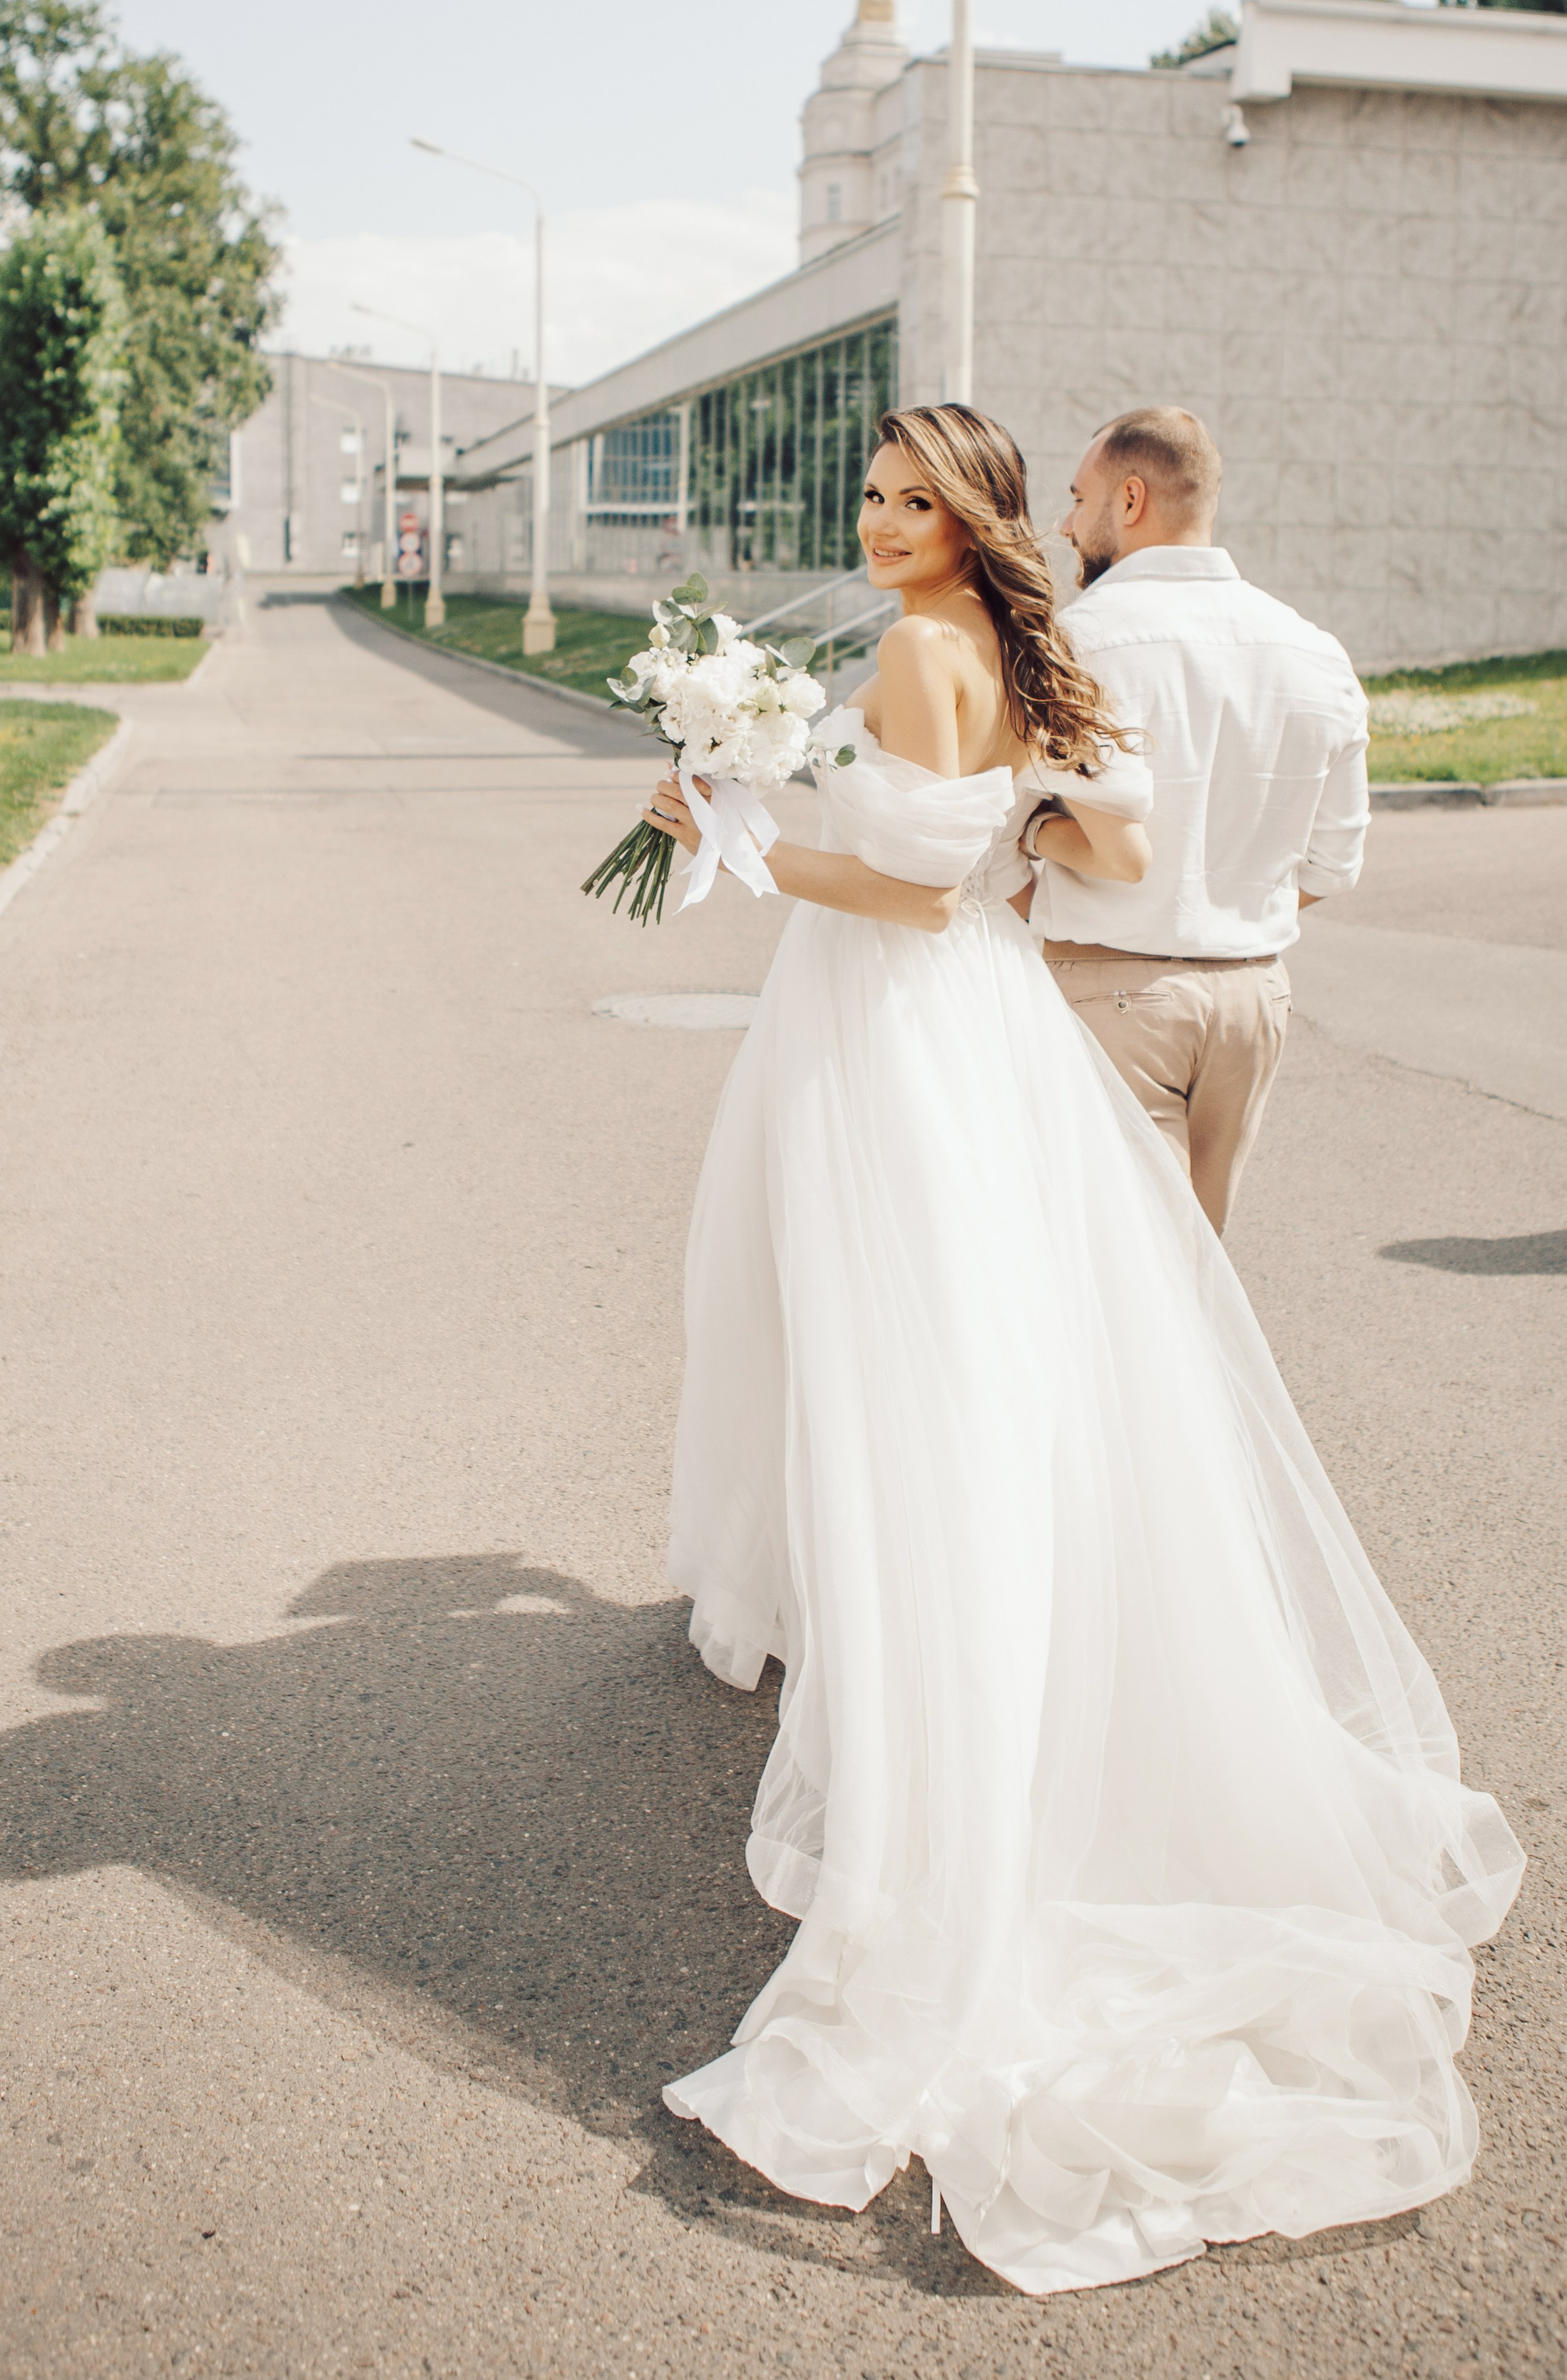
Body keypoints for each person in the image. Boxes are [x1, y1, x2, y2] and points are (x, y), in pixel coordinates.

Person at [641, 404, 1519, 2298]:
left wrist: (741, 828)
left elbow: (887, 886)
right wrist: (1012, 830)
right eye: (869, 496)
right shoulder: (1036, 652)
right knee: (1013, 1370)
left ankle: (938, 1726)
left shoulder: (914, 650)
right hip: (993, 1031)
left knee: (897, 1375)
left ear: (979, 517)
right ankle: (987, 1668)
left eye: (911, 500)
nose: (881, 525)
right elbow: (1108, 830)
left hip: (888, 1028)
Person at [1026, 407, 1369, 1236]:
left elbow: (995, 839)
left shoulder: (1070, 644)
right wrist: (1221, 916)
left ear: (1131, 499)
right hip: (1252, 999)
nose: (1066, 523)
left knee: (1115, 1274)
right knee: (1195, 1271)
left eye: (1078, 498)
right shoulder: (1314, 650)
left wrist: (1047, 856)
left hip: (1107, 989)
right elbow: (1332, 866)